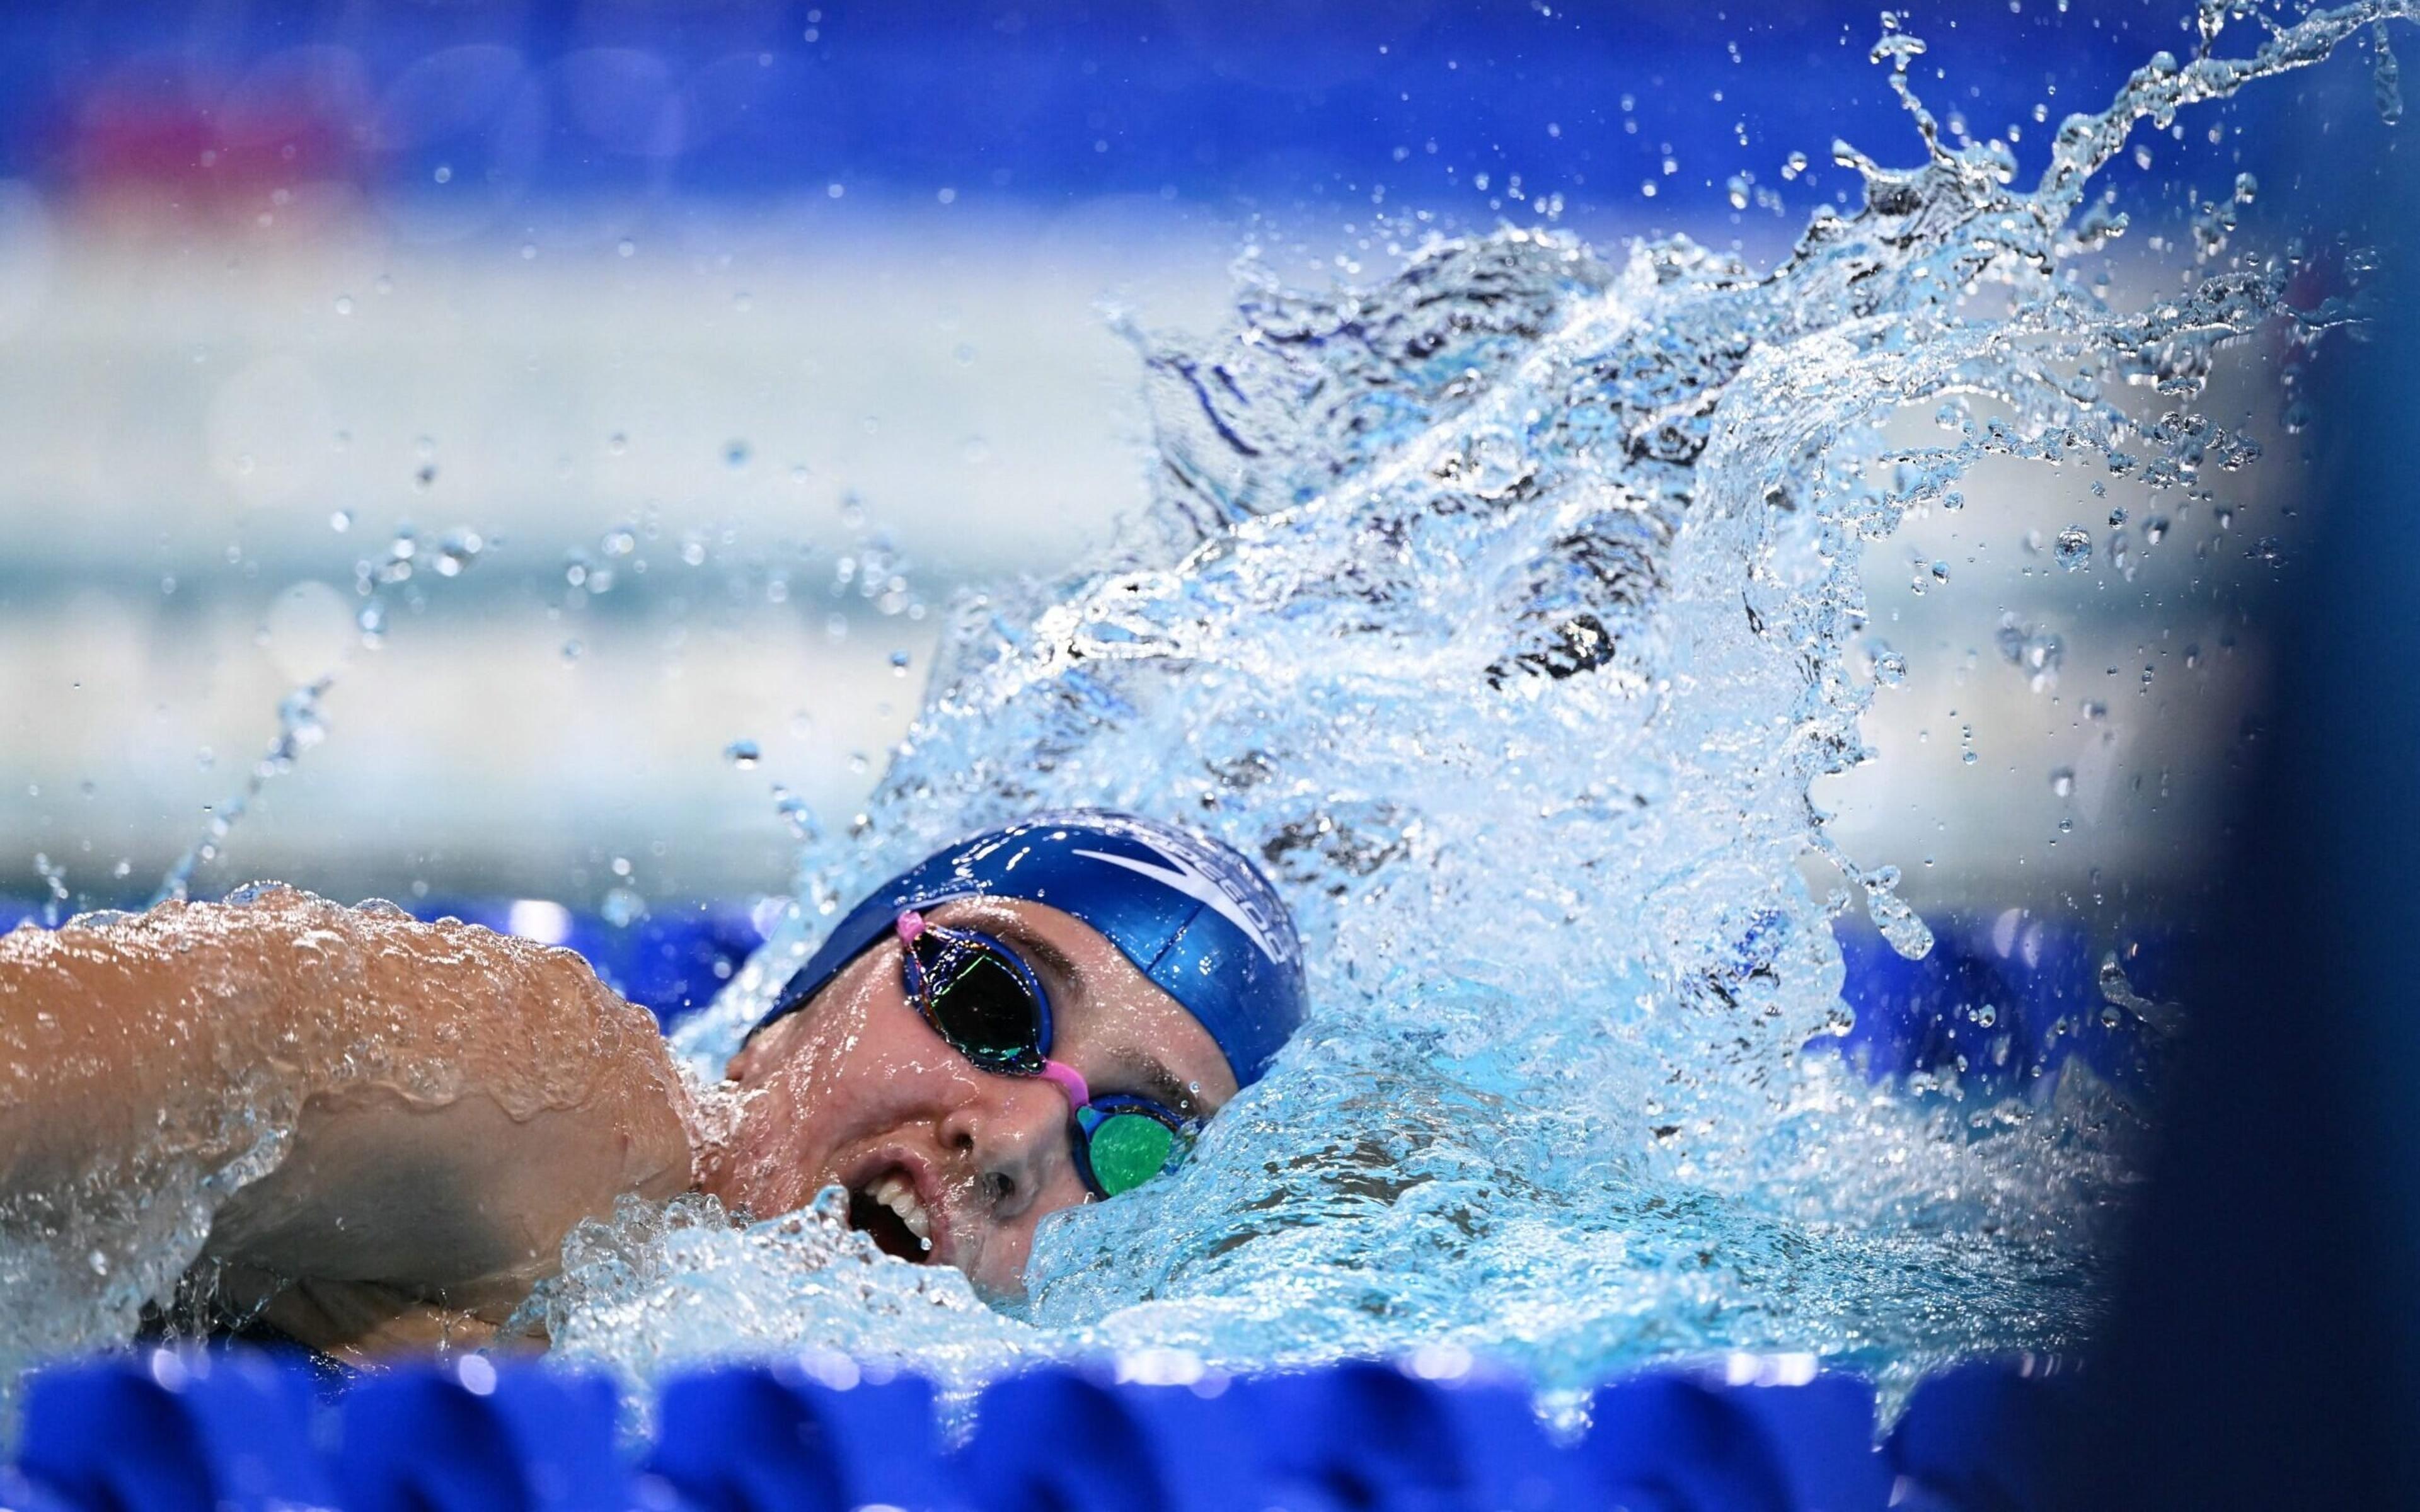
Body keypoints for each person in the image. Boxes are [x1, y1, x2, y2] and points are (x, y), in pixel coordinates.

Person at [0, 811, 1306, 1365]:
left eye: (1129, 1143)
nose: (1018, 1135)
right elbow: (222, 1039)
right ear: (791, 1017)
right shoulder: (561, 1111)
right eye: (989, 1004)